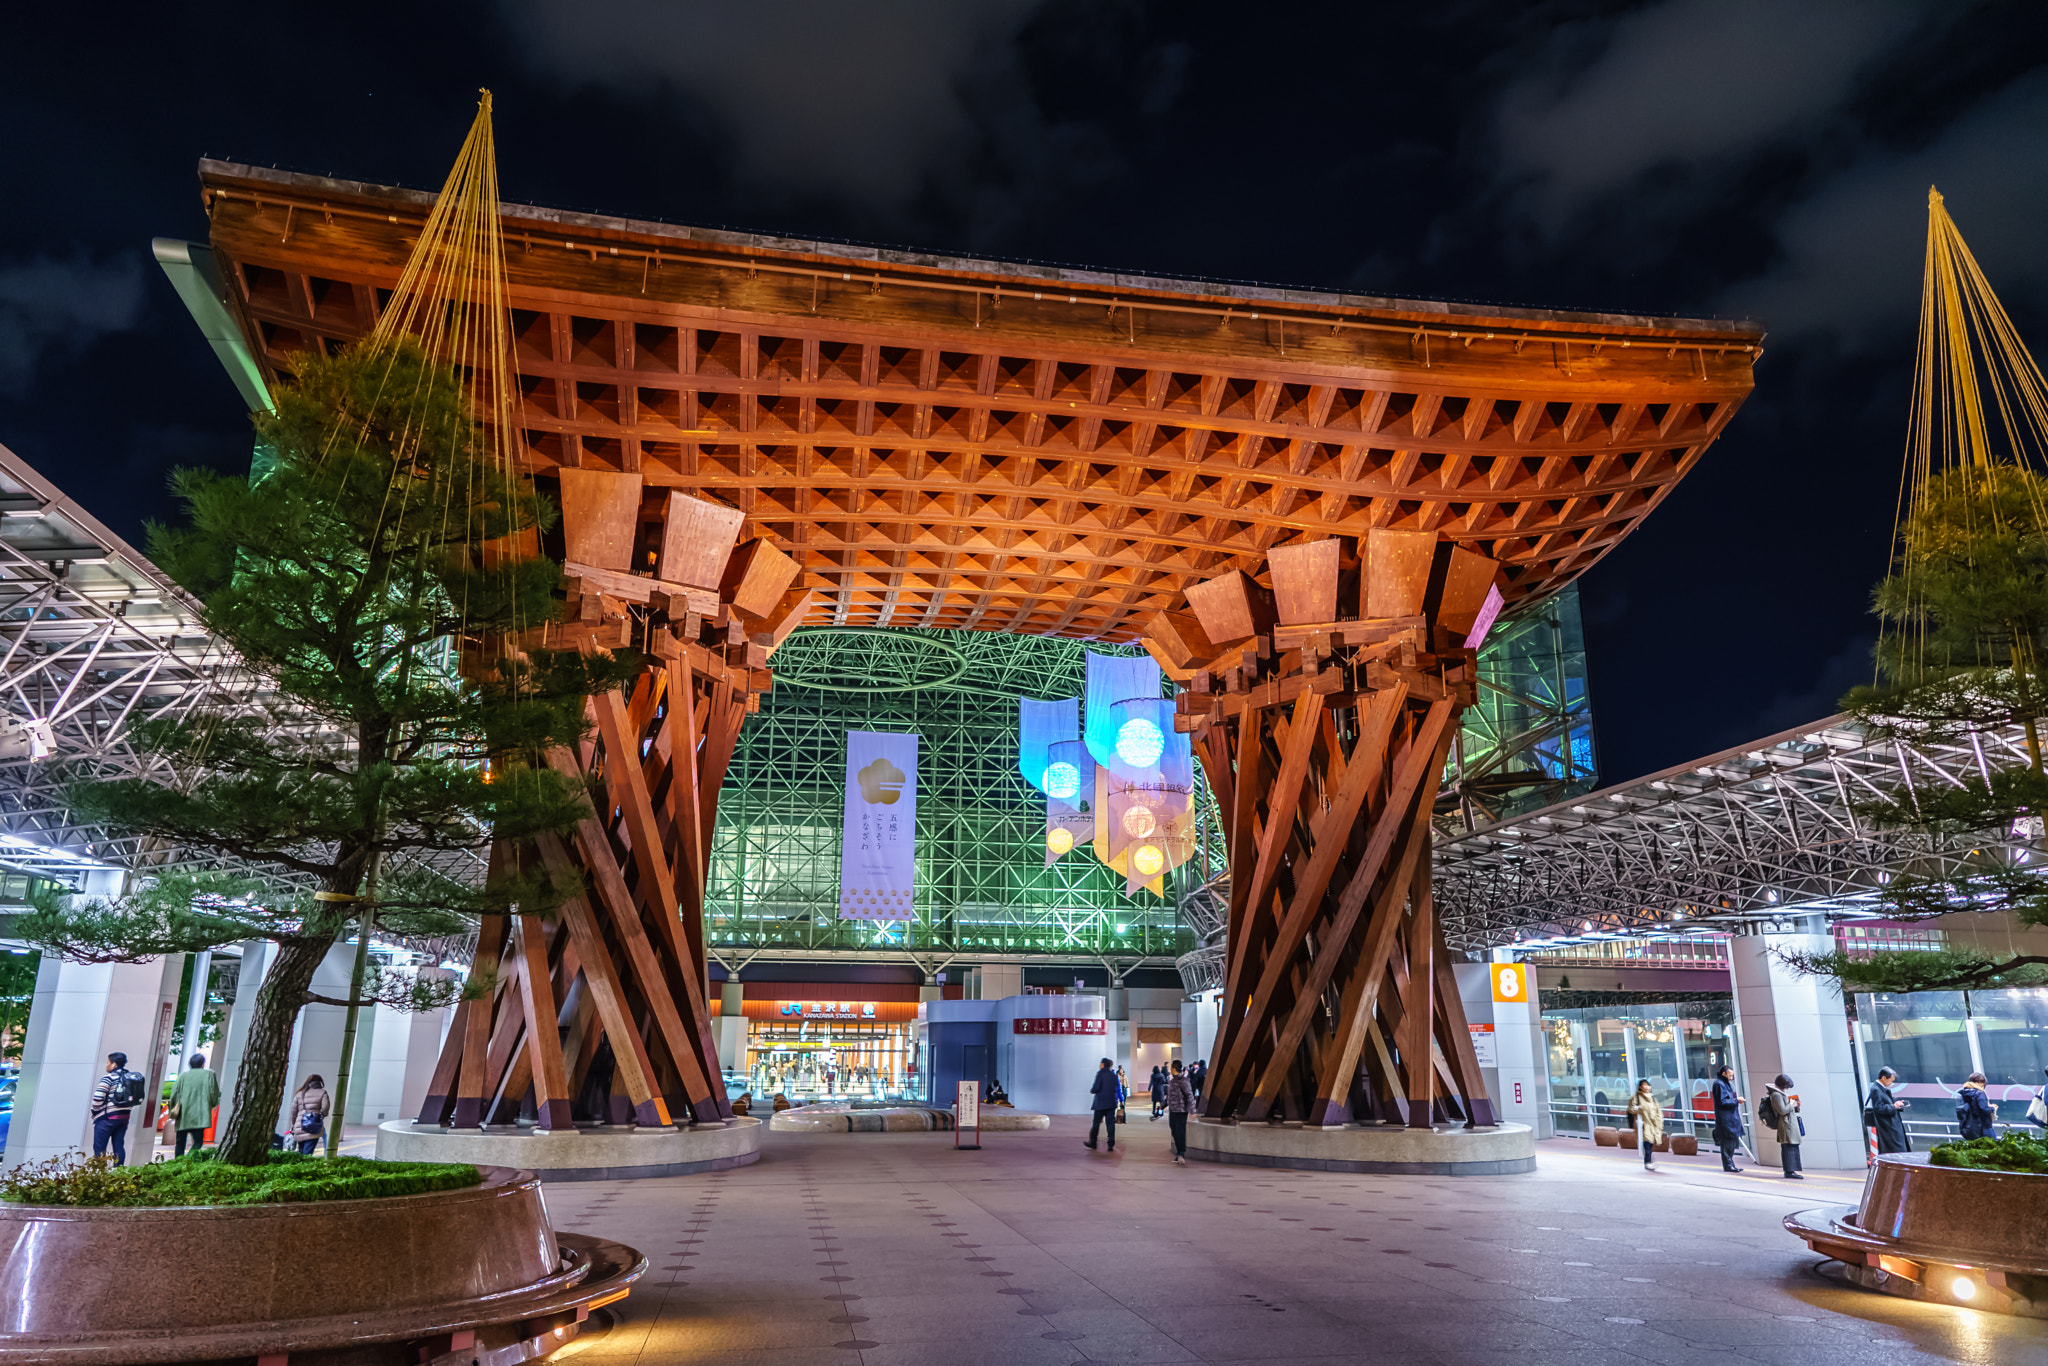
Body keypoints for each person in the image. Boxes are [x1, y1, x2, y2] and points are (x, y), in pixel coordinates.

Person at [89, 1051, 144, 1166]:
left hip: (106, 1118)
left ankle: (100, 1173)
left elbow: (98, 1098)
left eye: (108, 1062)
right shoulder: (129, 1077)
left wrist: (95, 1111)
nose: (106, 1065)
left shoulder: (108, 1078)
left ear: (114, 1064)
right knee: (118, 1146)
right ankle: (118, 1172)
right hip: (123, 1118)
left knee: (99, 1148)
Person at [167, 1052, 221, 1158]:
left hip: (183, 1114)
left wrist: (173, 1110)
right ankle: (190, 1159)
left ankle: (178, 1161)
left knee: (180, 1142)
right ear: (203, 1064)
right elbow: (214, 1093)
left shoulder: (183, 1076)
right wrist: (213, 1104)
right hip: (200, 1114)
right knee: (198, 1141)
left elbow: (173, 1094)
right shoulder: (209, 1074)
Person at [1762, 1073, 1803, 1179]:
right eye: (1787, 1086)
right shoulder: (1776, 1095)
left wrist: (1796, 1108)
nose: (1787, 1088)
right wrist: (1792, 1103)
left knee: (1792, 1147)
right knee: (1788, 1148)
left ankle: (1792, 1170)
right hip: (1785, 1125)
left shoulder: (1780, 1094)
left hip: (1788, 1123)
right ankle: (1789, 1171)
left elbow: (1786, 1109)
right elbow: (1782, 1110)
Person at [1865, 1067, 1910, 1155]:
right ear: (1884, 1078)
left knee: (1898, 1150)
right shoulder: (1876, 1089)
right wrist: (1894, 1106)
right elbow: (1879, 1108)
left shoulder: (1880, 1089)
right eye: (1891, 1080)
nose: (1891, 1083)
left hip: (1891, 1125)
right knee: (1896, 1150)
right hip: (1888, 1126)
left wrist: (1896, 1105)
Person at [1710, 1066, 1746, 1173]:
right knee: (1727, 1144)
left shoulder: (1723, 1083)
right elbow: (1722, 1101)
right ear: (1724, 1074)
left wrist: (1735, 1100)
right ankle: (1728, 1165)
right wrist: (1736, 1100)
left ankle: (1730, 1164)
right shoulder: (1719, 1084)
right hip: (1726, 1119)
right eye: (1730, 1075)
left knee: (1730, 1143)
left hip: (1729, 1118)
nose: (1731, 1078)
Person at [1625, 1079, 1663, 1171]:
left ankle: (1648, 1158)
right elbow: (1631, 1109)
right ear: (1640, 1087)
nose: (1647, 1087)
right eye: (1644, 1085)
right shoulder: (1636, 1097)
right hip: (1643, 1125)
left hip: (1653, 1125)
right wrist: (1640, 1108)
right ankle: (1648, 1162)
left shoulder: (1653, 1099)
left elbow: (1658, 1112)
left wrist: (1659, 1122)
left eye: (1648, 1085)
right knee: (1648, 1143)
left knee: (1649, 1143)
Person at [289, 1073, 331, 1156]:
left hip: (300, 1124)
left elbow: (293, 1112)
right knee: (308, 1153)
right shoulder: (322, 1092)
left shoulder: (300, 1093)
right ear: (320, 1082)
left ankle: (299, 1167)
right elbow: (325, 1108)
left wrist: (294, 1125)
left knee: (300, 1152)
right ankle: (304, 1167)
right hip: (314, 1125)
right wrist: (321, 1115)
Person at [1085, 1057, 1120, 1152]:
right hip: (1111, 1104)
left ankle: (1093, 1143)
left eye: (1101, 1063)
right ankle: (1110, 1145)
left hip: (1101, 1104)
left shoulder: (1100, 1074)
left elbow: (1096, 1088)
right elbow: (1116, 1088)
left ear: (1103, 1064)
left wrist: (1093, 1090)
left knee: (1096, 1124)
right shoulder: (1113, 1075)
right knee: (1110, 1125)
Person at [1164, 1058, 1195, 1165]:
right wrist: (1162, 1106)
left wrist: (1192, 1110)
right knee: (1173, 1130)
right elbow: (1169, 1097)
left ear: (1174, 1069)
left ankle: (1181, 1153)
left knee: (1180, 1132)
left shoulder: (1184, 1081)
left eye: (1171, 1067)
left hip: (1181, 1111)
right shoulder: (1172, 1081)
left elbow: (1189, 1095)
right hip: (1173, 1110)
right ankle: (1179, 1151)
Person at [1957, 1072, 1998, 1139]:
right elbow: (1983, 1108)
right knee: (1993, 1145)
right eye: (1983, 1084)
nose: (1982, 1086)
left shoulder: (1964, 1093)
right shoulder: (1979, 1093)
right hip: (1983, 1125)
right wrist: (1992, 1108)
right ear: (1979, 1082)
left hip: (1969, 1126)